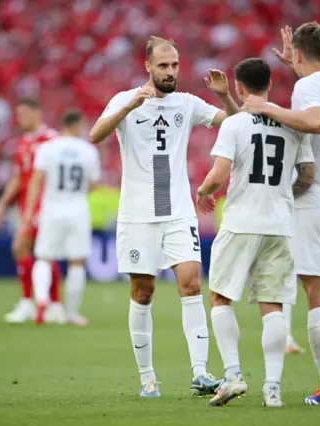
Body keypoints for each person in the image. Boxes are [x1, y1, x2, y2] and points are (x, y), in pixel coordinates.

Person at [89, 36, 240, 398]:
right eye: (163, 66)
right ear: (148, 67)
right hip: (138, 215)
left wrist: (224, 96)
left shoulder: (187, 104)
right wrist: (129, 107)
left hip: (177, 213)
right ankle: (147, 378)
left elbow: (237, 125)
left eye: (174, 65)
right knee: (143, 292)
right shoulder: (126, 100)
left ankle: (201, 373)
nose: (171, 71)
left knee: (191, 284)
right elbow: (95, 135)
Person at [242, 22, 320, 405]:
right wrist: (297, 67)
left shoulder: (306, 88)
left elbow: (315, 121)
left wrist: (267, 107)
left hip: (318, 201)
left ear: (297, 53)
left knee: (316, 294)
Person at [197, 58, 314, 408]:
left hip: (240, 223)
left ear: (240, 88)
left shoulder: (235, 125)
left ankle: (233, 376)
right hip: (279, 225)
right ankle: (273, 389)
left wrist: (204, 192)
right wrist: (280, 197)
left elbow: (219, 175)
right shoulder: (293, 123)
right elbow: (307, 176)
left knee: (220, 297)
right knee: (273, 305)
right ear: (271, 84)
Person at [22, 110, 100, 326]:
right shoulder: (88, 151)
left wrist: (29, 211)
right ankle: (72, 313)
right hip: (77, 209)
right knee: (76, 262)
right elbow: (92, 184)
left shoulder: (47, 148)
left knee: (44, 258)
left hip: (52, 208)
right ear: (75, 126)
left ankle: (42, 301)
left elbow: (36, 180)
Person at [0, 98, 64, 324]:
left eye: (23, 114)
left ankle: (30, 302)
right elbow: (17, 177)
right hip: (26, 206)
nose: (19, 119)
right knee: (42, 253)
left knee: (23, 247)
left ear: (36, 113)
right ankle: (53, 304)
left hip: (46, 205)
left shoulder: (52, 140)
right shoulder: (22, 142)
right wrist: (2, 204)